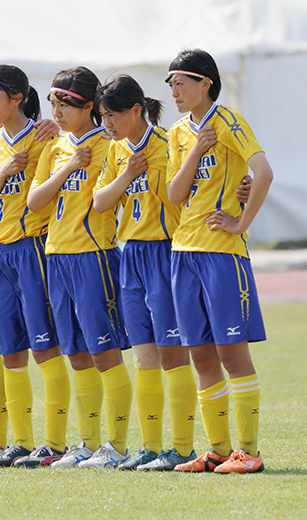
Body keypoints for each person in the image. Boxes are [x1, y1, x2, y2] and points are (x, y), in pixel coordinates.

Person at [165, 49, 272, 473]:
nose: (174, 90)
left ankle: (249, 452)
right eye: (170, 84)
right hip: (183, 253)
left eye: (181, 82)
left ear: (205, 82)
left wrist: (240, 222)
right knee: (201, 356)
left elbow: (262, 171)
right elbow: (174, 195)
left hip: (222, 255)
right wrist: (195, 152)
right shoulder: (178, 132)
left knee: (232, 353)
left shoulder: (228, 121)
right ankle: (218, 450)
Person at [26, 67, 133, 469]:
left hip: (93, 256)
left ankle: (116, 446)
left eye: (66, 104)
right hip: (56, 256)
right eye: (53, 103)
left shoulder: (108, 144)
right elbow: (36, 202)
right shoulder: (55, 148)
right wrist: (69, 167)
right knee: (76, 355)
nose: (57, 111)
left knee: (103, 353)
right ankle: (87, 446)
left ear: (89, 106)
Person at [91, 75, 197, 470]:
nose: (108, 124)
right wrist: (126, 175)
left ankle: (182, 448)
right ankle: (151, 448)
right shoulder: (116, 151)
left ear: (136, 110)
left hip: (165, 253)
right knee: (144, 357)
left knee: (172, 354)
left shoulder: (170, 144)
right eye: (103, 116)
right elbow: (101, 203)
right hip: (130, 255)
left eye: (113, 115)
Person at [0, 64, 67, 468]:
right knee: (10, 350)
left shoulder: (46, 137)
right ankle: (22, 441)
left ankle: (55, 442)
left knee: (45, 347)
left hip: (32, 249)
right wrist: (2, 174)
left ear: (16, 98)